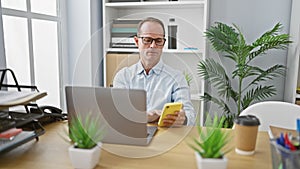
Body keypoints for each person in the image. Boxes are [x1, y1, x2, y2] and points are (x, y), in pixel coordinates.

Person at [113, 17, 196, 127]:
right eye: (147, 40)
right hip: (131, 135)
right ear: (137, 41)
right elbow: (118, 114)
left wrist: (183, 119)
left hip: (165, 138)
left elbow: (190, 115)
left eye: (158, 41)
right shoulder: (123, 77)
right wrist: (144, 117)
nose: (153, 46)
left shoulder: (177, 78)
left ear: (163, 43)